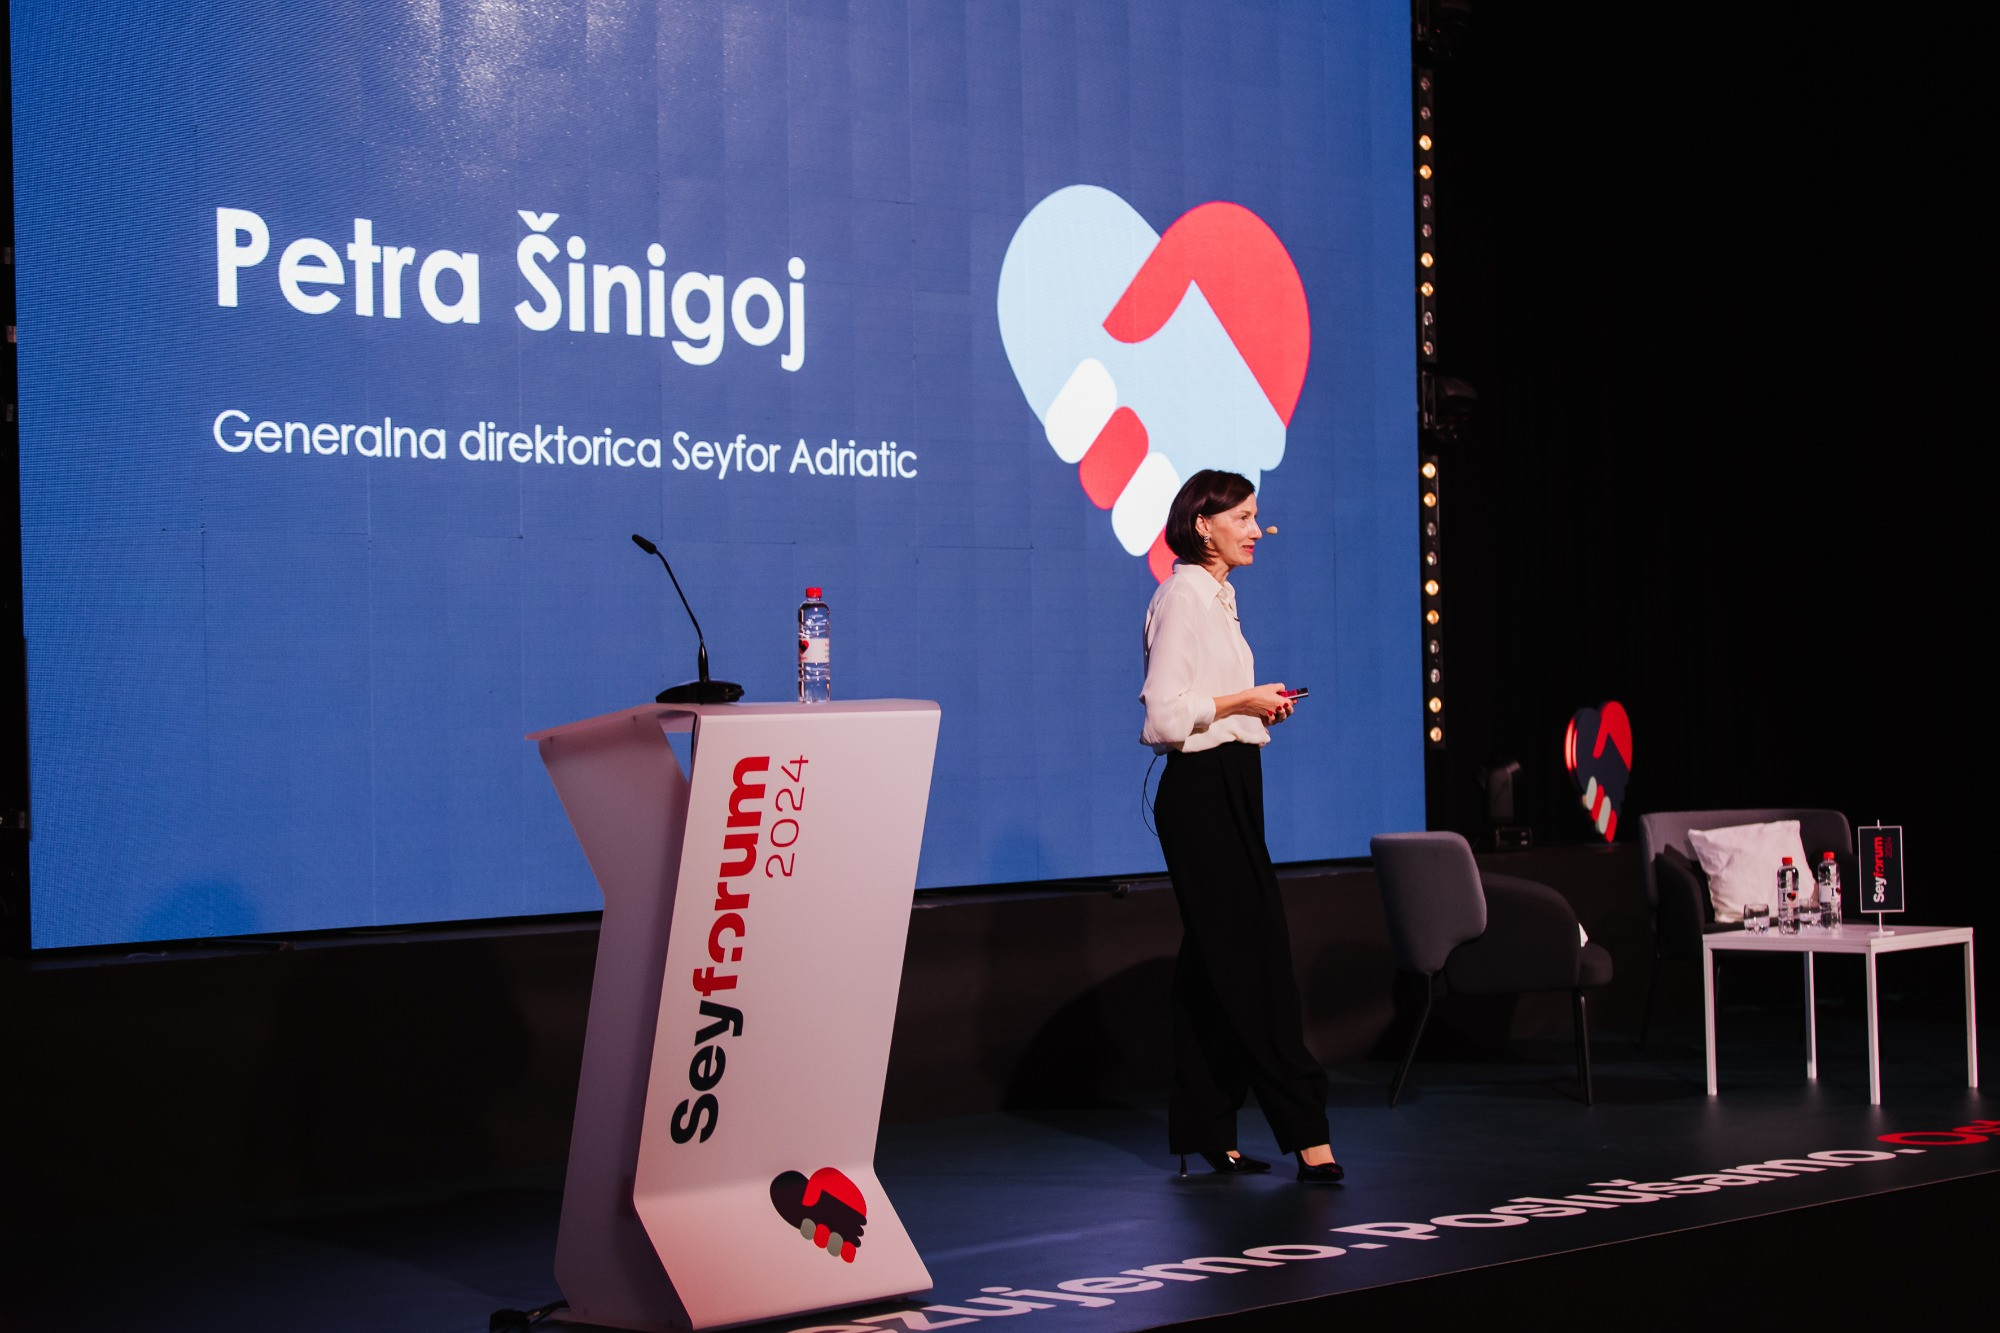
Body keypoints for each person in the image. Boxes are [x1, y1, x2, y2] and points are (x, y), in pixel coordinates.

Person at [1140, 469, 1342, 1184]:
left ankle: (1205, 1126)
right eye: (1244, 517)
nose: (1258, 530)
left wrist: (1257, 707)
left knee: (1212, 965)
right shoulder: (1183, 597)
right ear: (1204, 524)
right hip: (1201, 793)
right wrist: (1241, 702)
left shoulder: (1218, 597)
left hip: (1233, 782)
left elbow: (1212, 704)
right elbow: (1164, 716)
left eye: (1257, 517)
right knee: (1256, 959)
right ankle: (1307, 1131)